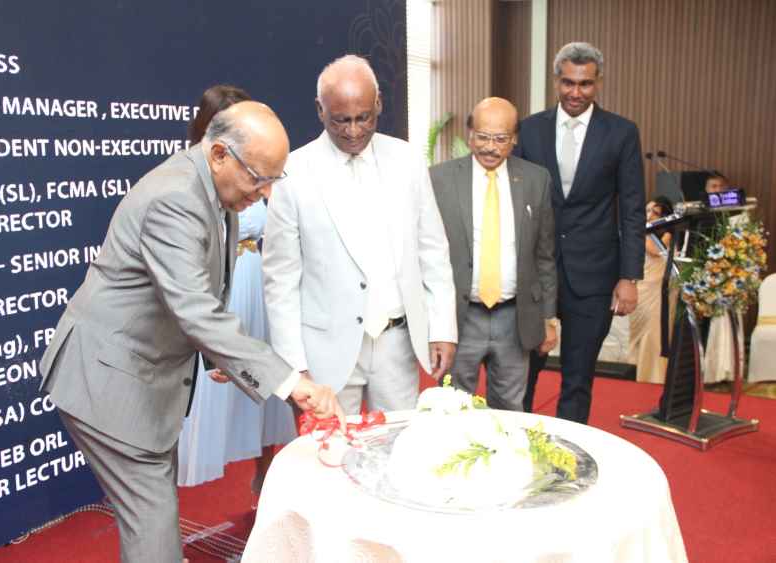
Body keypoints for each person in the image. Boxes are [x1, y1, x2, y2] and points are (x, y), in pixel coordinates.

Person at [39, 101, 345, 563]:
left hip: (137, 379)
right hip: (106, 381)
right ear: (220, 153)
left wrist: (216, 355)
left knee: (151, 518)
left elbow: (192, 292)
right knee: (153, 524)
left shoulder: (215, 187)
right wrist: (289, 381)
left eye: (272, 181)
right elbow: (195, 309)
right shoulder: (175, 197)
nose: (263, 194)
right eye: (257, 177)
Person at [263, 54, 457, 415]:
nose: (353, 131)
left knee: (397, 448)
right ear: (320, 110)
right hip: (324, 350)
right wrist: (293, 363)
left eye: (363, 117)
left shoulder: (408, 161)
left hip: (396, 342)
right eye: (341, 120)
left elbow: (433, 249)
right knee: (329, 456)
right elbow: (281, 280)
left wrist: (442, 327)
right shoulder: (293, 173)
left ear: (379, 104)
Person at [515, 42, 646, 423]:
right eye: (568, 82)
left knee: (578, 378)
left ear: (598, 83)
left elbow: (633, 206)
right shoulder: (529, 129)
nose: (576, 93)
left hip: (594, 274)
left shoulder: (621, 132)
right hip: (538, 274)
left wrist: (629, 276)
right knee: (524, 373)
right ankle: (516, 447)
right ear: (557, 80)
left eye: (585, 84)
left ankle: (568, 461)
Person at [177, 86, 295, 498]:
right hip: (211, 294)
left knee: (262, 398)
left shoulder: (258, 179)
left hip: (255, 282)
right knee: (206, 395)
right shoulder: (184, 190)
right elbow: (191, 302)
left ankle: (264, 480)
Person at [429, 97, 557, 410]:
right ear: (470, 134)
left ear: (514, 138)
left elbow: (545, 254)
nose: (491, 147)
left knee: (510, 410)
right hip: (460, 318)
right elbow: (427, 254)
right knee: (453, 409)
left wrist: (549, 317)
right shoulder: (439, 179)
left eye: (501, 139)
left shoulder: (535, 180)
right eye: (483, 137)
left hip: (515, 317)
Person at [629, 196, 674, 383]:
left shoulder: (667, 234)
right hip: (641, 287)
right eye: (646, 211)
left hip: (658, 289)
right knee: (637, 333)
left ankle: (653, 376)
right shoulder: (640, 231)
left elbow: (656, 251)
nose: (648, 215)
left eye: (654, 212)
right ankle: (635, 371)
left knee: (653, 332)